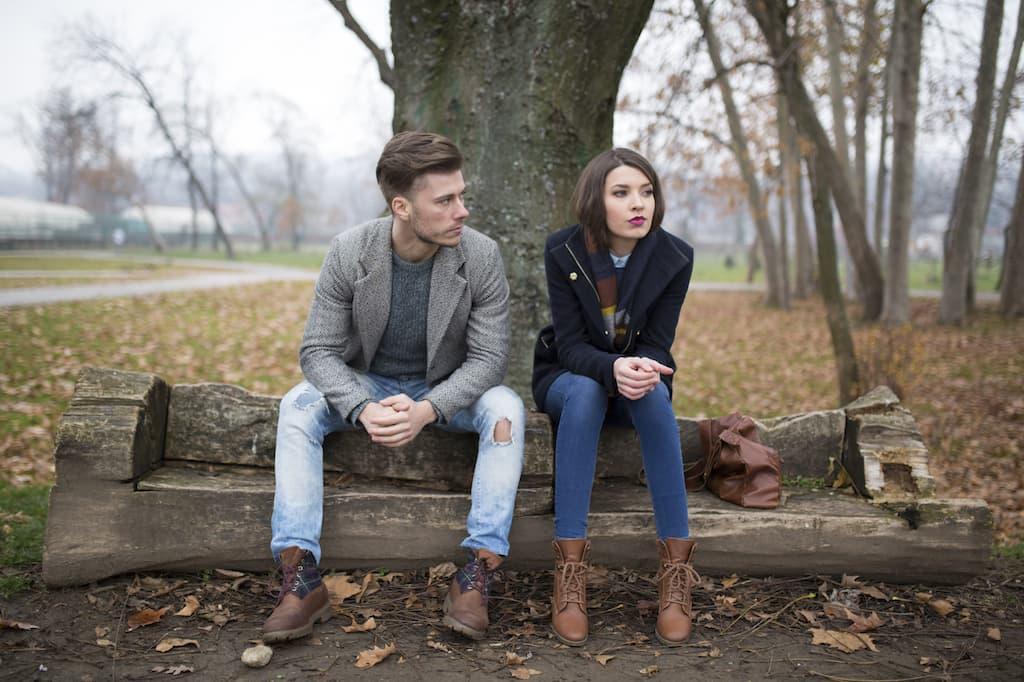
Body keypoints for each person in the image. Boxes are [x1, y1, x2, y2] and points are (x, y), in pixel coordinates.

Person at [265, 131, 525, 643]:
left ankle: (477, 571)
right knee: (296, 405)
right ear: (401, 206)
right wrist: (361, 407)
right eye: (445, 200)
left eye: (461, 196)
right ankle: (300, 575)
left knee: (507, 410)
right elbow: (316, 350)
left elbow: (490, 358)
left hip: (446, 387)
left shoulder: (481, 256)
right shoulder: (349, 252)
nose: (462, 211)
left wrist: (430, 408)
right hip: (366, 381)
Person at [531, 148, 698, 647]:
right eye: (621, 192)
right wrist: (611, 367)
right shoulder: (565, 251)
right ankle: (570, 576)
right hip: (571, 373)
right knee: (585, 393)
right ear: (595, 200)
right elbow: (571, 345)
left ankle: (675, 577)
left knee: (653, 396)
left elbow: (657, 343)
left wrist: (637, 367)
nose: (637, 203)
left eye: (646, 192)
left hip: (635, 375)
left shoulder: (675, 256)